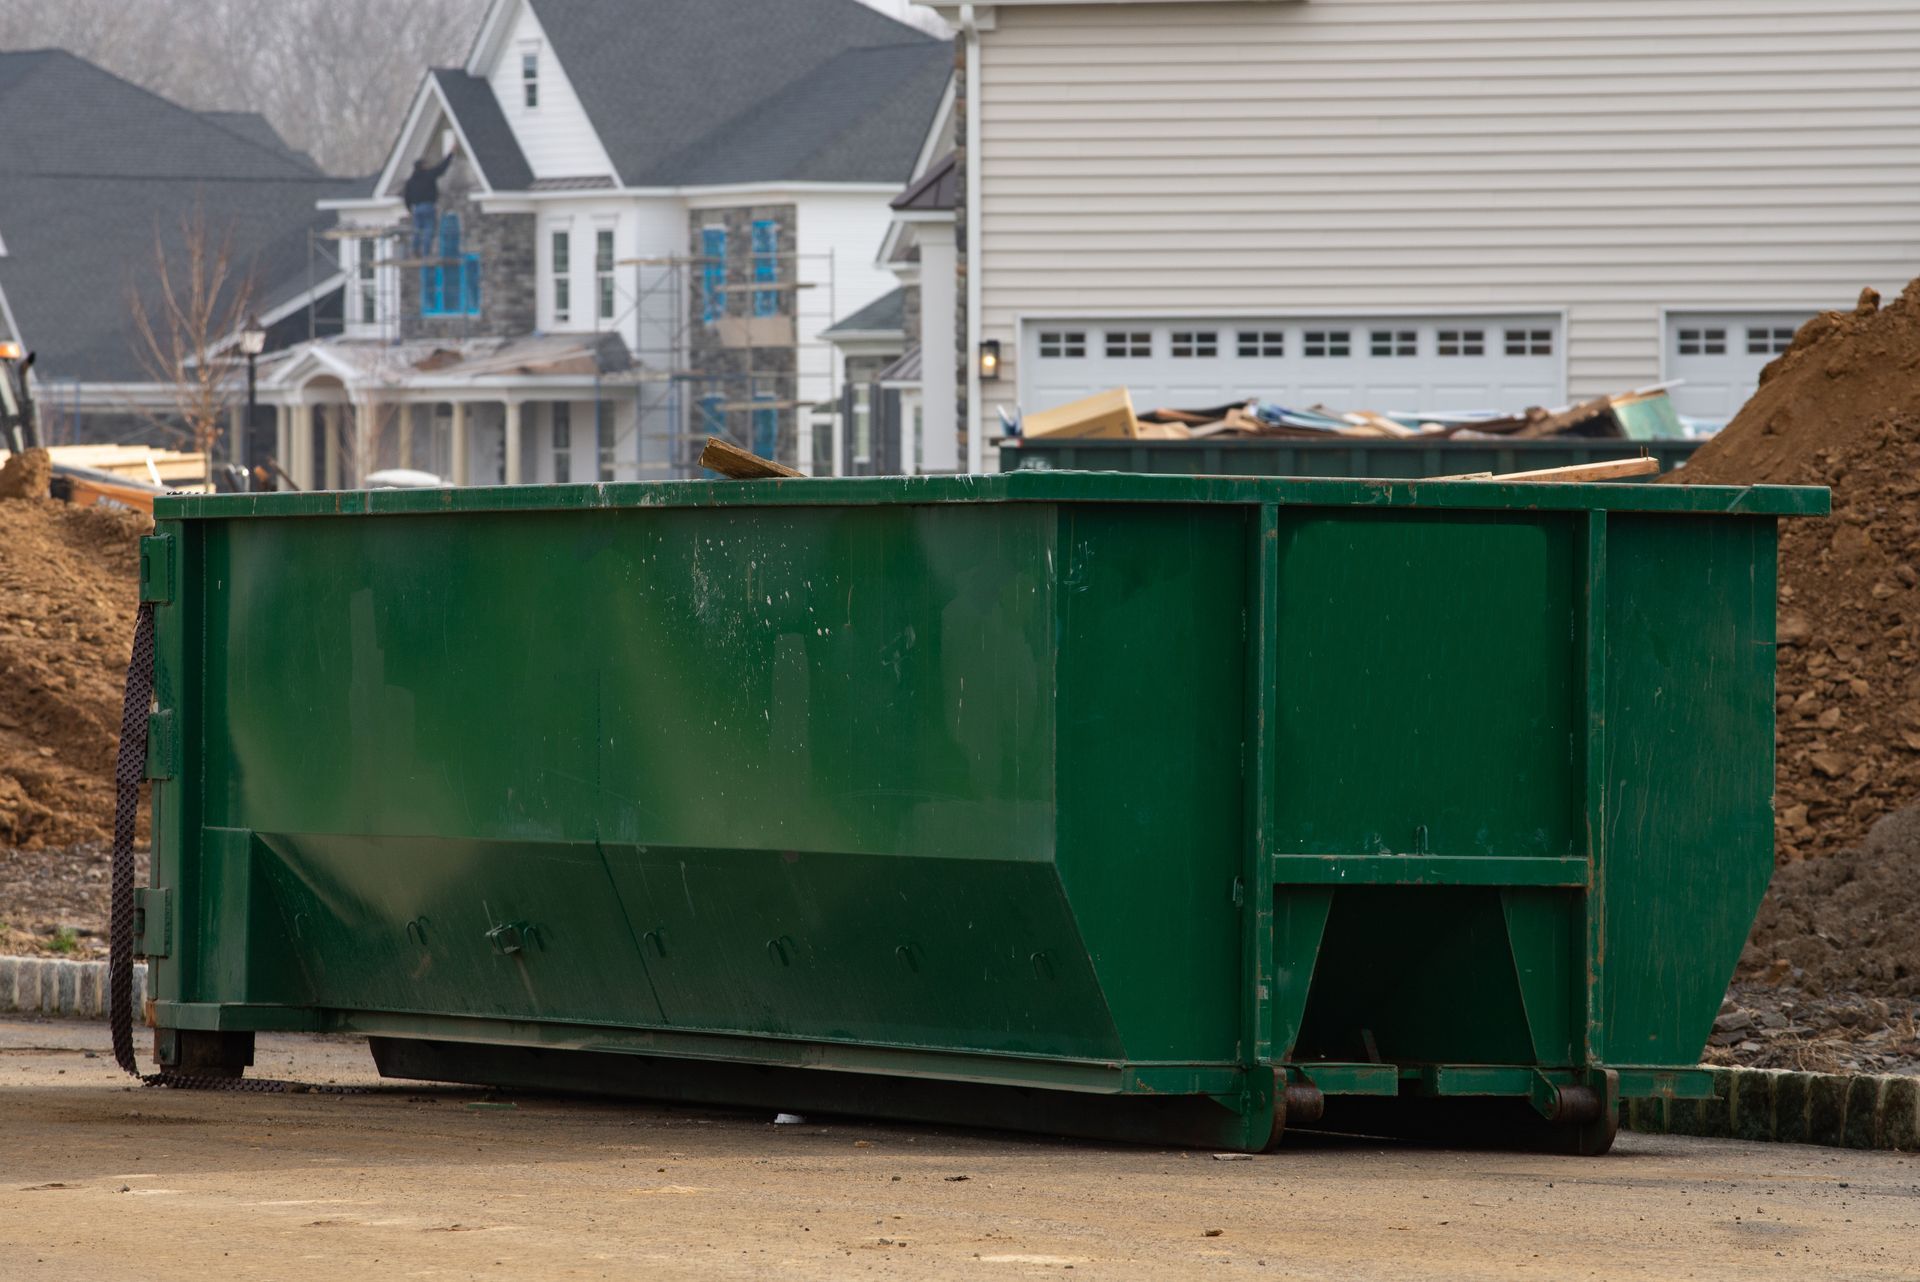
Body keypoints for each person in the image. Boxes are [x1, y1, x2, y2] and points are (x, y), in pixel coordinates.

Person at [404, 149, 457, 258]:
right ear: (423, 166)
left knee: (417, 230)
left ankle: (415, 250)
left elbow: (407, 196)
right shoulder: (428, 175)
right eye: (426, 164)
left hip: (416, 208)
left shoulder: (411, 181)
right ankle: (426, 253)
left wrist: (409, 209)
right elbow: (441, 168)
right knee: (428, 230)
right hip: (428, 206)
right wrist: (450, 155)